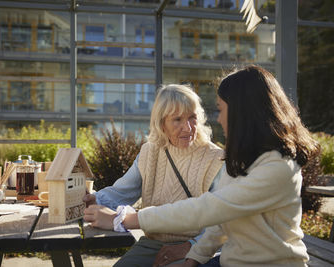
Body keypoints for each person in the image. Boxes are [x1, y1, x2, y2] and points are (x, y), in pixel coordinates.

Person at [84, 65, 319, 267]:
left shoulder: (276, 167)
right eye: (177, 119)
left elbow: (208, 209)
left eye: (221, 109)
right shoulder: (247, 159)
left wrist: (125, 219)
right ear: (161, 124)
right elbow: (222, 221)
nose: (217, 118)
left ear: (243, 113)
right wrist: (193, 259)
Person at [83, 84, 224, 267]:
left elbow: (222, 222)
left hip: (197, 246)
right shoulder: (150, 152)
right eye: (177, 120)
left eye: (192, 117)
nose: (188, 127)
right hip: (153, 244)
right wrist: (89, 199)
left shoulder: (216, 159)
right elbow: (121, 193)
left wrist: (191, 246)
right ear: (161, 123)